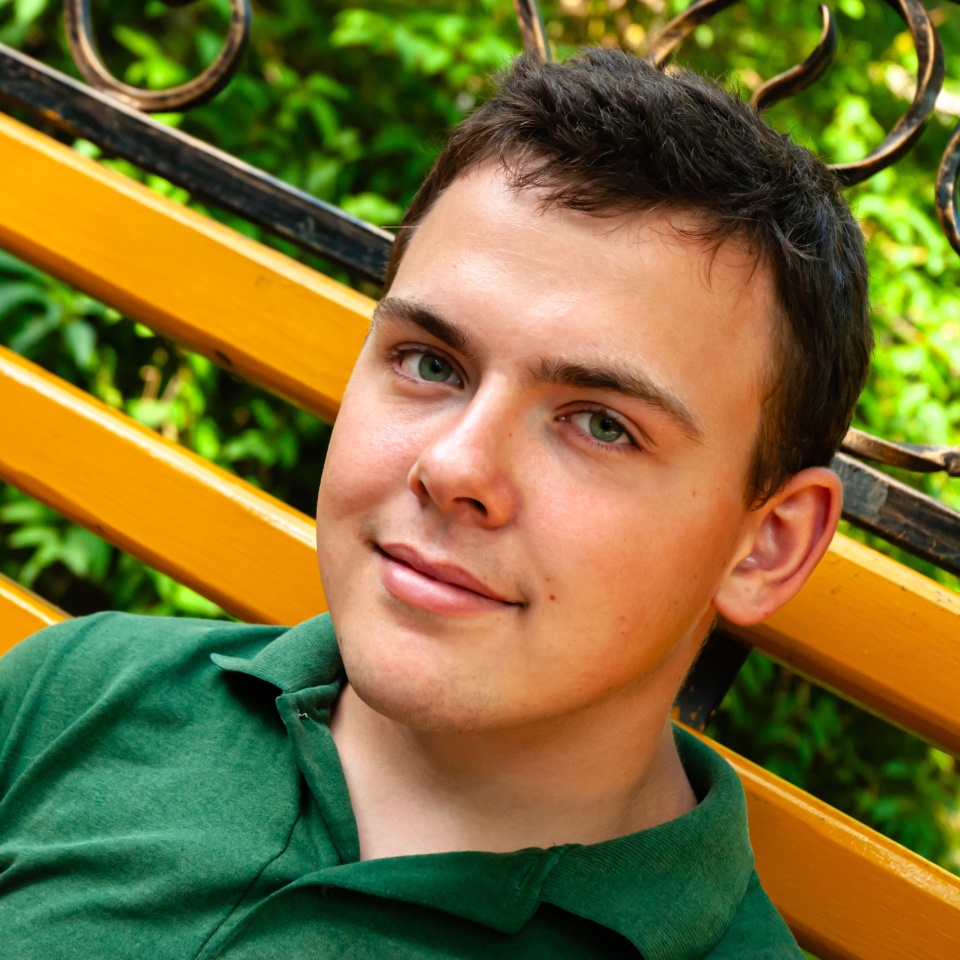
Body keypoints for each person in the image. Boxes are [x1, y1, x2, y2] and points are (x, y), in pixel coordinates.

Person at [0, 48, 870, 958]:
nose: (455, 466)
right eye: (430, 364)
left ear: (765, 546)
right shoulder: (83, 689)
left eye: (602, 425)